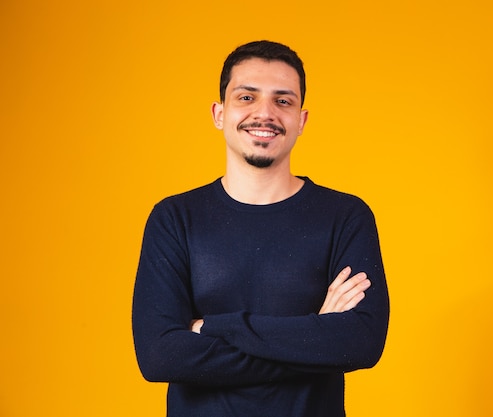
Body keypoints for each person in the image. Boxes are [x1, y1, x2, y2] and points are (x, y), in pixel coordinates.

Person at [132, 40, 390, 417]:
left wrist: (210, 329)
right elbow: (159, 357)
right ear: (219, 113)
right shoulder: (174, 218)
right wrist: (314, 334)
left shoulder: (345, 216)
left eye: (283, 101)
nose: (265, 113)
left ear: (301, 121)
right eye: (247, 98)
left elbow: (360, 343)